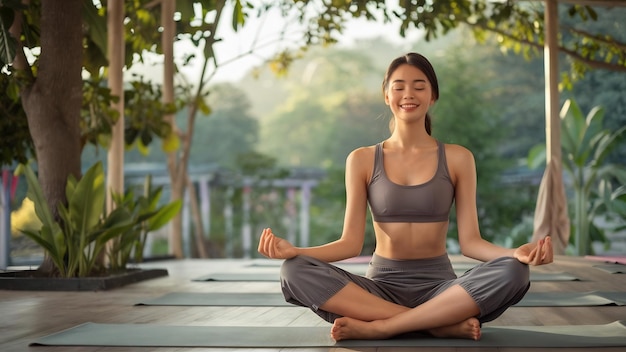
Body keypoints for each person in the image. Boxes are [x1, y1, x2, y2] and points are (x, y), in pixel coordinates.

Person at [257, 52, 553, 342]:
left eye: (419, 86)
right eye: (398, 87)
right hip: (379, 289)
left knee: (514, 272)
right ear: (386, 96)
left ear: (433, 96)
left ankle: (383, 327)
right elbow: (350, 244)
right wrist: (294, 251)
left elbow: (471, 243)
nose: (408, 94)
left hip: (442, 288)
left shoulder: (458, 158)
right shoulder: (361, 159)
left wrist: (516, 254)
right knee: (293, 271)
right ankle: (436, 324)